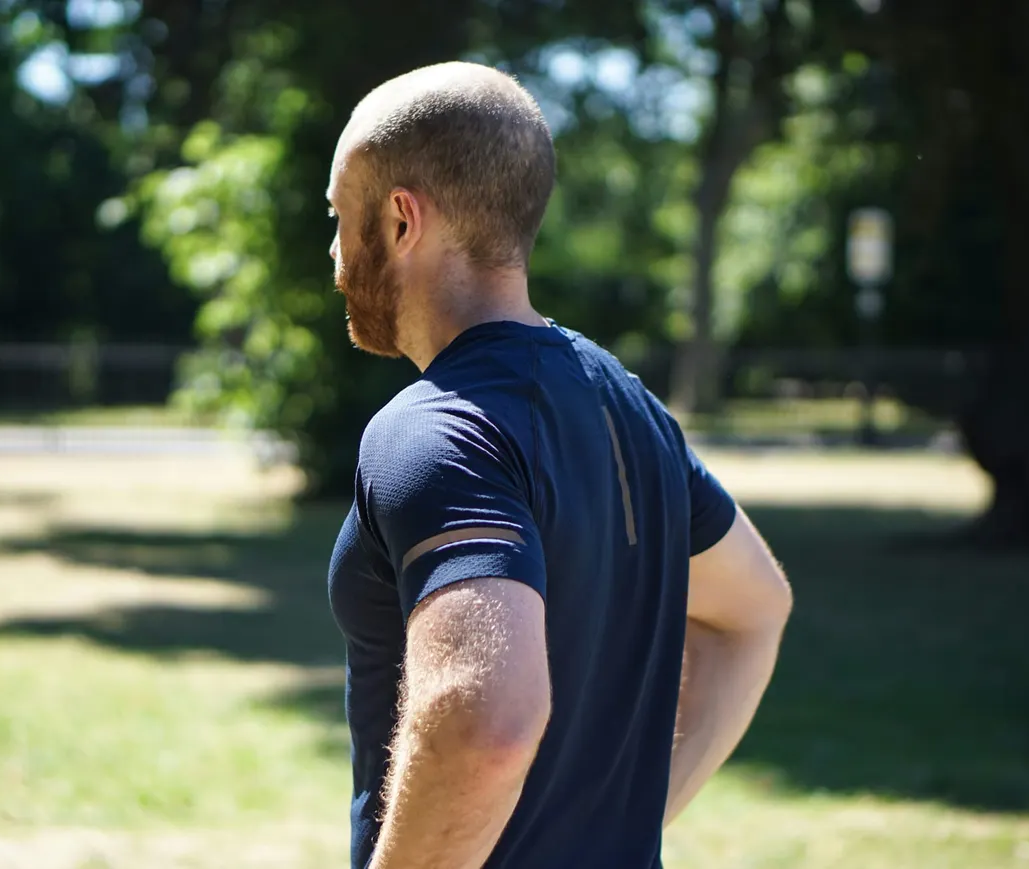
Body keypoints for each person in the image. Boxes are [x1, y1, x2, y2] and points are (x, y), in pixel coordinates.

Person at [325, 61, 793, 869]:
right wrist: (635, 820)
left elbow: (486, 721)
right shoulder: (632, 408)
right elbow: (756, 607)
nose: (333, 252)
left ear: (403, 221)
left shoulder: (436, 429)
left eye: (340, 217)